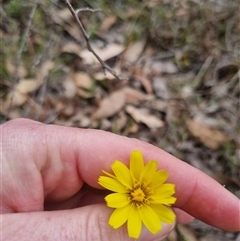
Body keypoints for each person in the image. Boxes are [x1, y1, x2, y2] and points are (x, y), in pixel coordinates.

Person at [1, 118, 239, 241]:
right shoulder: (129, 191)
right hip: (124, 198)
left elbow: (162, 187)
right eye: (139, 192)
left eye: (141, 193)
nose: (139, 194)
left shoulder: (148, 192)